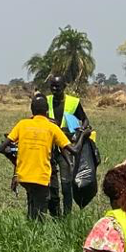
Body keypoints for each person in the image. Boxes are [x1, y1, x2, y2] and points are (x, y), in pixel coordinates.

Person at [0, 95, 73, 221]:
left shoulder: (22, 124)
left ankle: (30, 230)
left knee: (32, 206)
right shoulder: (52, 127)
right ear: (47, 110)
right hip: (41, 177)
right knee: (40, 214)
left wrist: (15, 158)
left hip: (24, 176)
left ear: (31, 109)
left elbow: (1, 148)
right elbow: (73, 150)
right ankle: (36, 235)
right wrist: (84, 135)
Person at [45, 75, 91, 217]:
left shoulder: (73, 102)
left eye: (57, 86)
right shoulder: (46, 101)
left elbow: (85, 120)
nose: (54, 89)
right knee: (51, 182)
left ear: (64, 87)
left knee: (66, 183)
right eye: (52, 86)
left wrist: (81, 130)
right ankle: (55, 214)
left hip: (67, 146)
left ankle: (67, 215)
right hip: (49, 146)